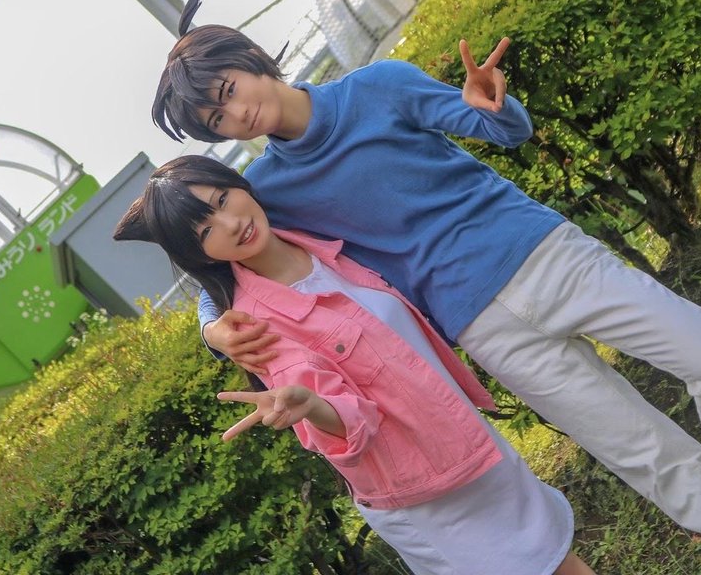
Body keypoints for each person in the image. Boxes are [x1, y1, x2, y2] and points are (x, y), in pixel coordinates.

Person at [146, 0, 701, 575]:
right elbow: (216, 260)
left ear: (252, 58)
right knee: (654, 460)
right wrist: (211, 328)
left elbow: (497, 125)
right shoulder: (265, 189)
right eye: (216, 121)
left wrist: (496, 105)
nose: (237, 114)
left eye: (228, 90)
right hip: (480, 325)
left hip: (549, 257)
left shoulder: (378, 86)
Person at [113, 155, 596, 575]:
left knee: (557, 557)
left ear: (238, 184)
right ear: (200, 255)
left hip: (457, 434)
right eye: (205, 232)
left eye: (222, 200)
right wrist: (310, 406)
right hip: (423, 484)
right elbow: (347, 417)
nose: (230, 224)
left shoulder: (318, 241)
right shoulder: (255, 324)